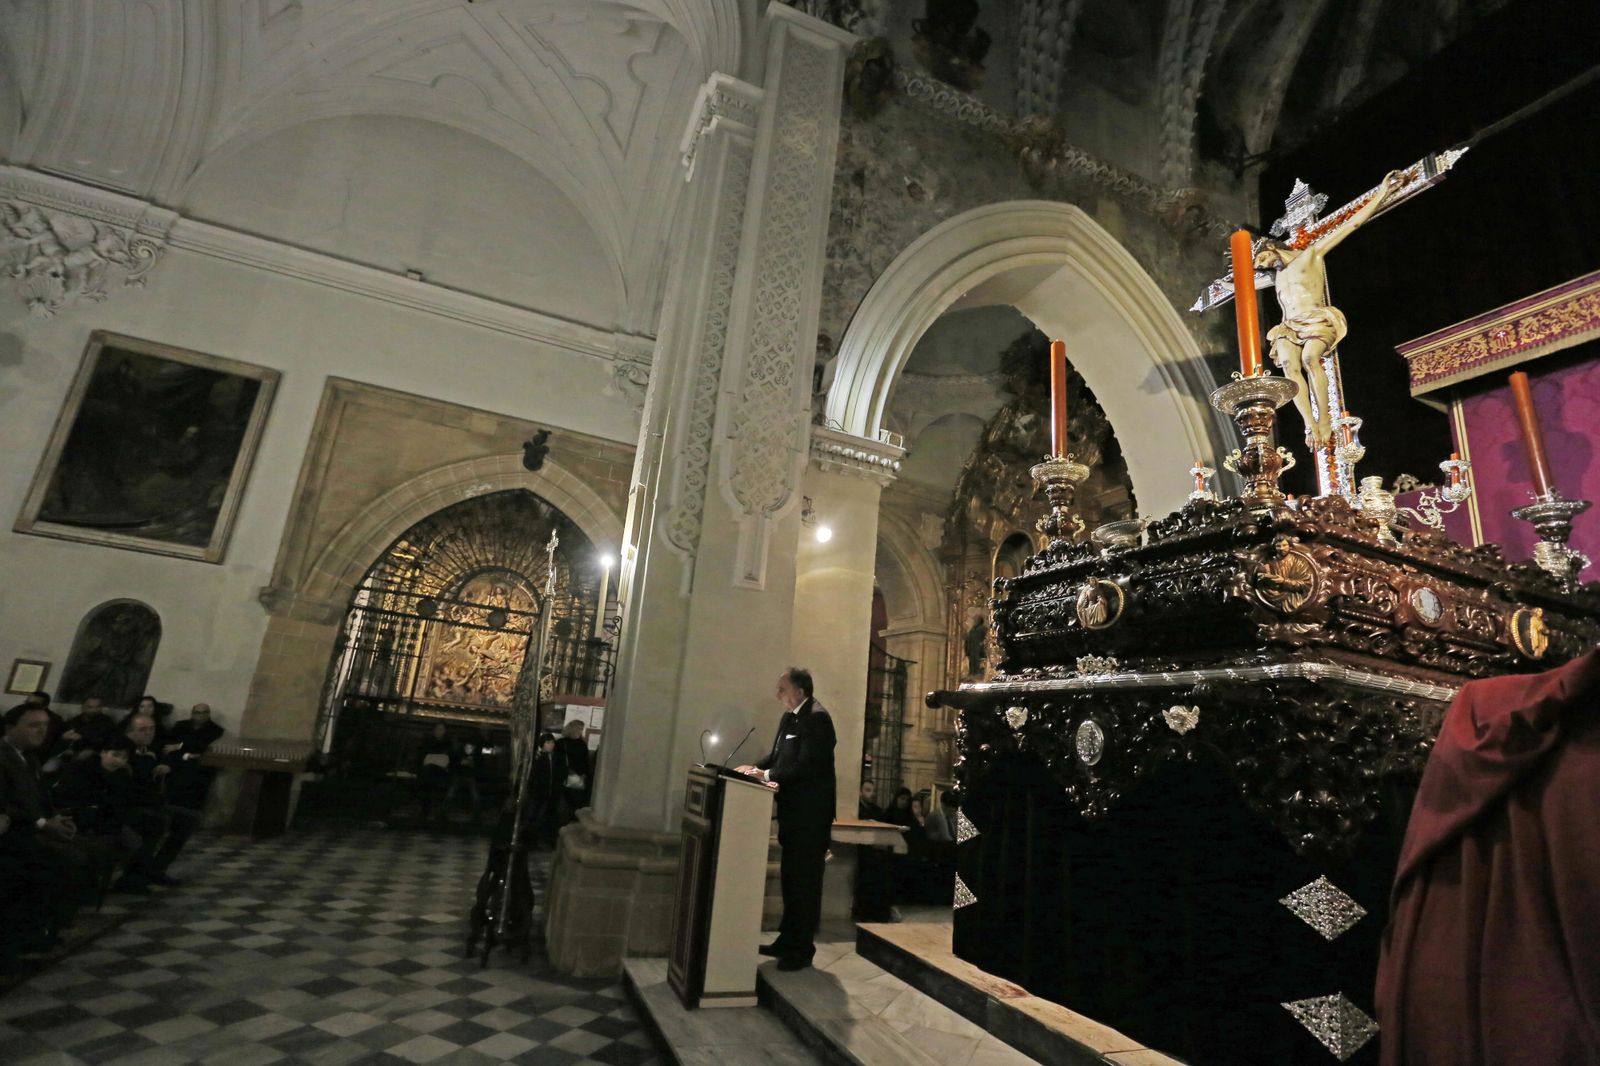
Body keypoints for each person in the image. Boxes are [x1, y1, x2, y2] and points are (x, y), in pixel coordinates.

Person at [1253, 169, 1403, 445]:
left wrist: (1381, 193)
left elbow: (1351, 225)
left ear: (1271, 248)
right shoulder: (1276, 274)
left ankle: (1325, 420)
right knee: (1288, 364)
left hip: (1315, 318)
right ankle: (1309, 425)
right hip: (1290, 325)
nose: (1260, 266)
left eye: (1261, 258)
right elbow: (1238, 284)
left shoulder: (1310, 254)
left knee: (1311, 360)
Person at [737, 667, 836, 971]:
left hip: (811, 816)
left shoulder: (817, 718)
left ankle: (802, 949)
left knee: (805, 882)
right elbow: (779, 756)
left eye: (782, 688)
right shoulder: (789, 717)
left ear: (800, 691)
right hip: (793, 814)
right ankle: (786, 939)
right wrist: (749, 769)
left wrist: (765, 775)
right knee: (791, 880)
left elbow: (807, 765)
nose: (777, 694)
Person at [162, 703, 223, 811]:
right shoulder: (180, 725)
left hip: (199, 768)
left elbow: (202, 746)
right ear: (192, 714)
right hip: (177, 765)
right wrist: (186, 753)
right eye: (198, 712)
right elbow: (168, 745)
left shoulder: (216, 729)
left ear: (209, 714)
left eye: (205, 712)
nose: (201, 715)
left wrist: (180, 746)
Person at [552, 719, 591, 825]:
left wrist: (584, 774)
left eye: (581, 729)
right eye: (578, 729)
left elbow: (585, 761)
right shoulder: (562, 743)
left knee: (574, 805)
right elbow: (557, 761)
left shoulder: (581, 744)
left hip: (576, 777)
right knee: (563, 805)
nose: (580, 731)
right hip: (564, 777)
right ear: (572, 729)